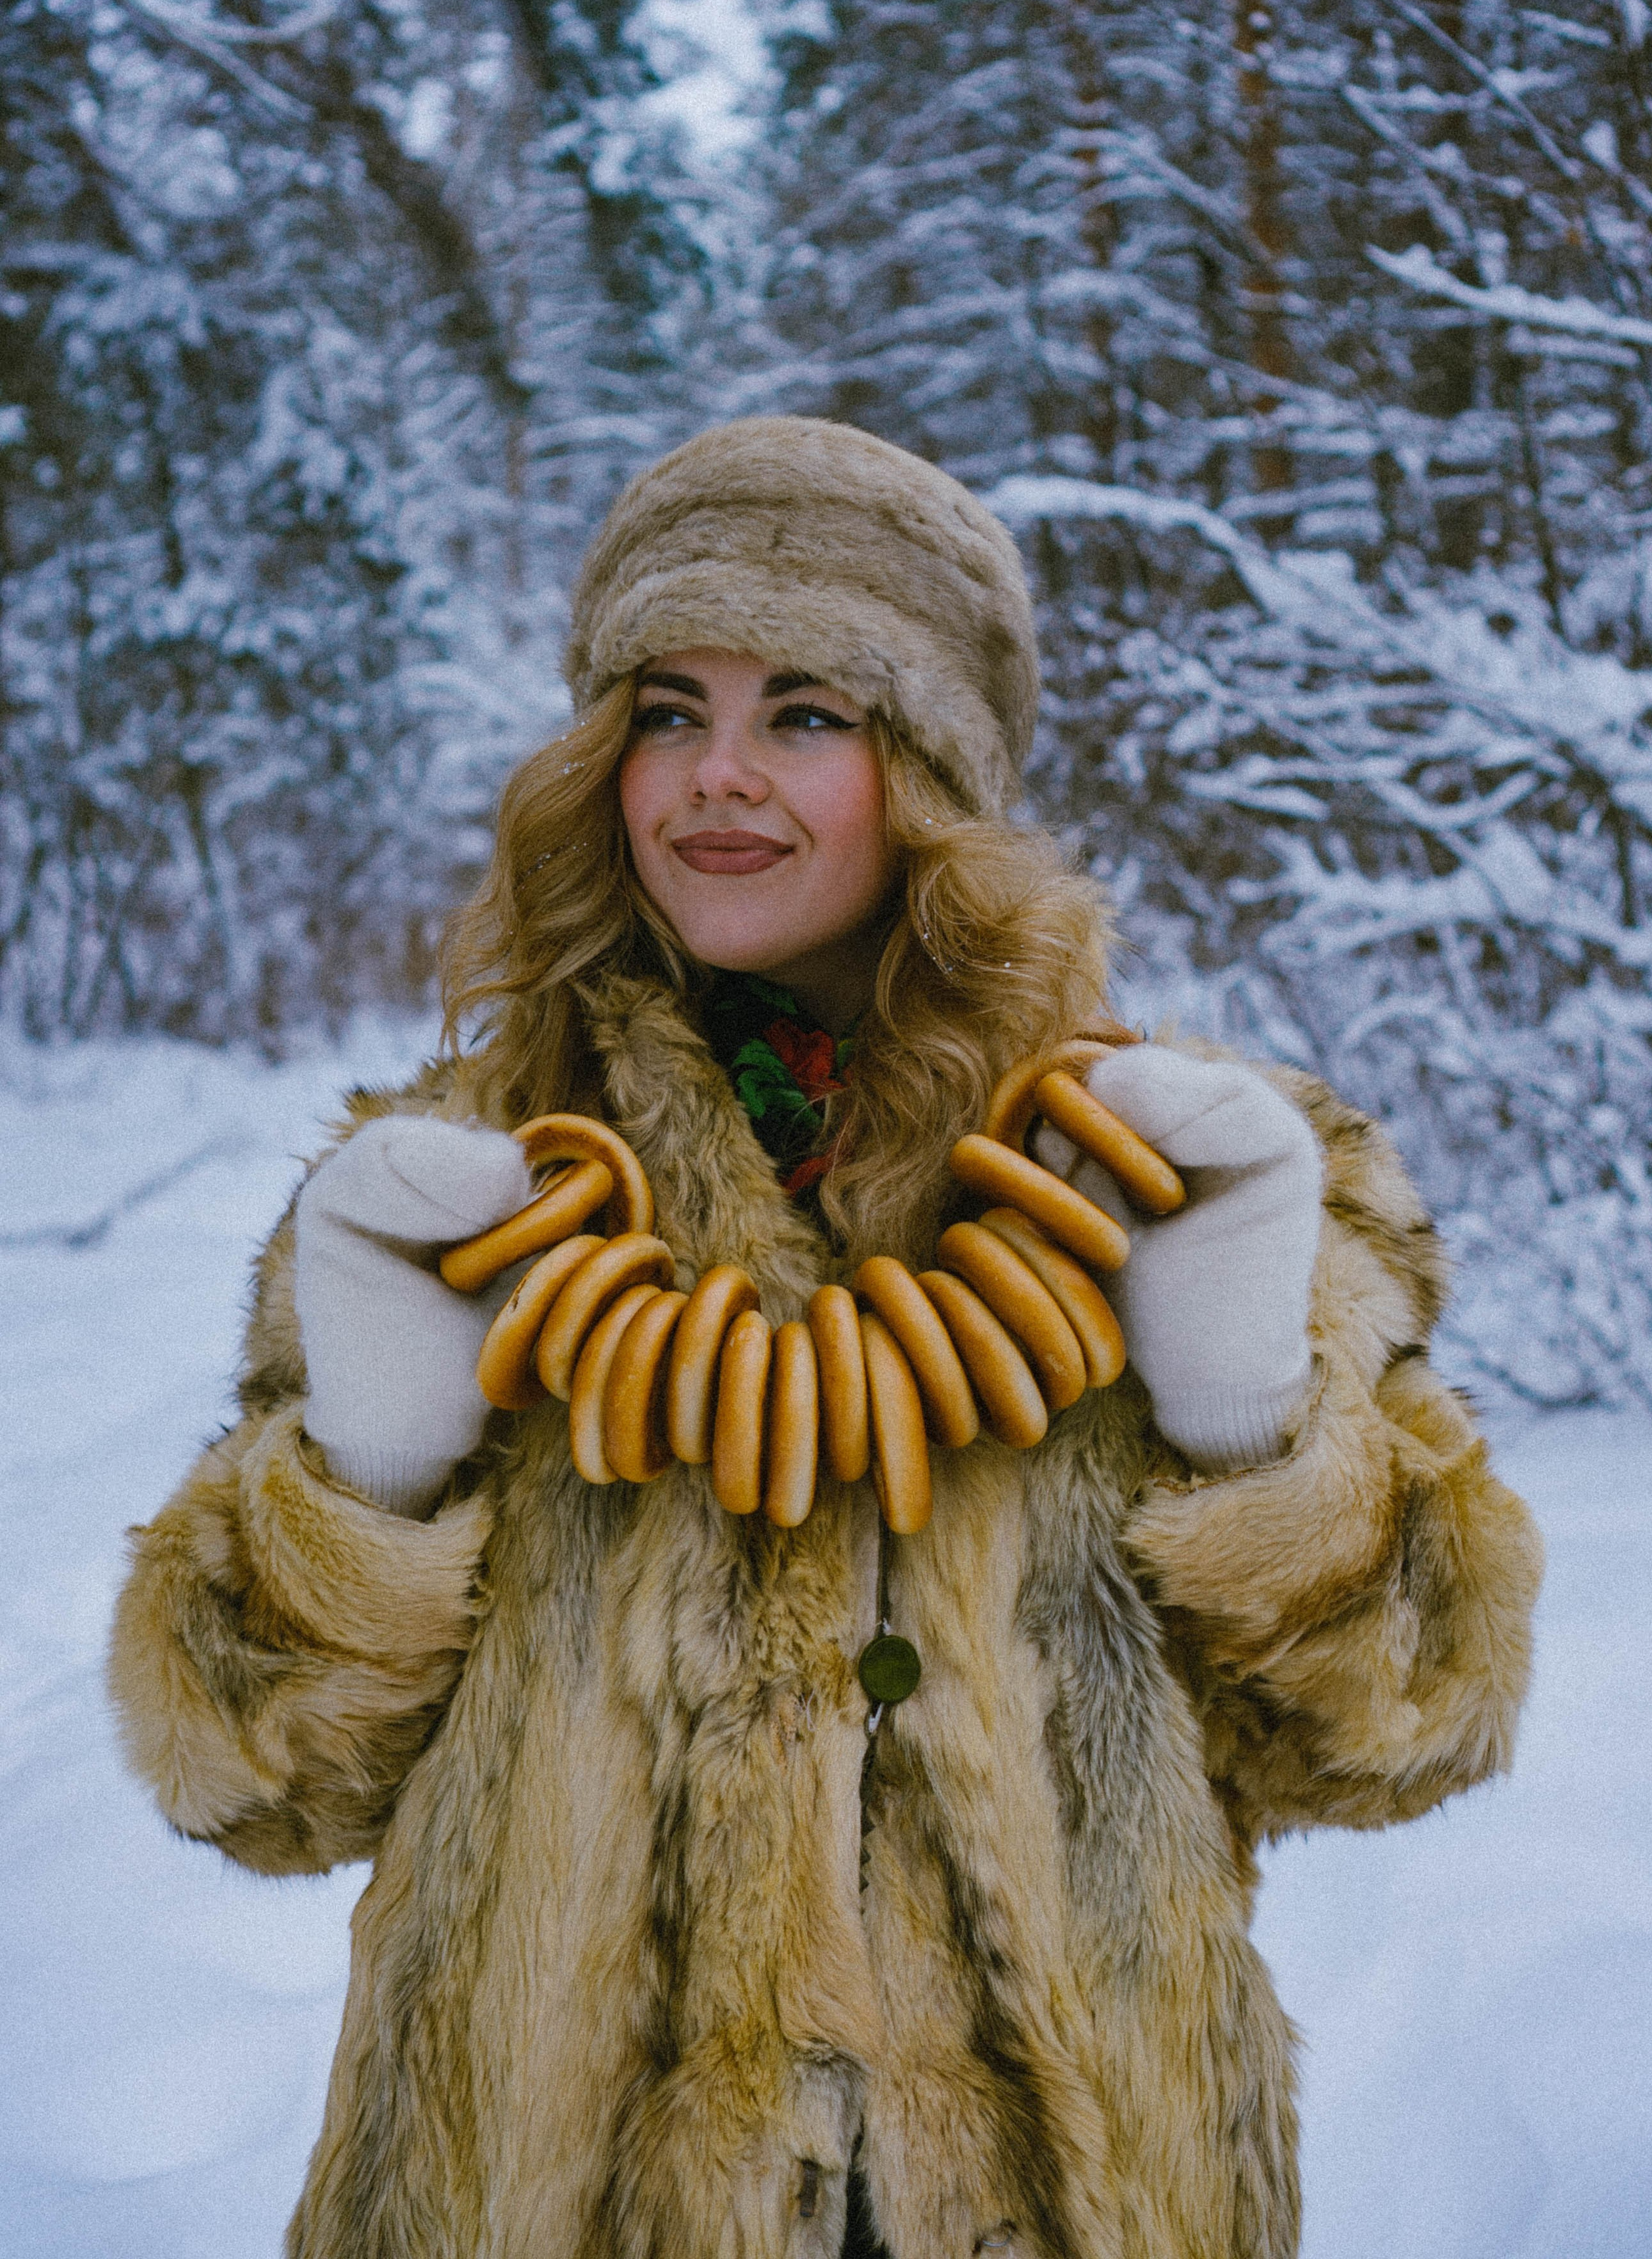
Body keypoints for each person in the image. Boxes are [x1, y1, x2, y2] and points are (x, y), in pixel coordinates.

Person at [110, 417, 1542, 2259]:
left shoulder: (1169, 1176)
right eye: (664, 710)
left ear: (931, 763)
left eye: (804, 714)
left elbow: (1400, 1728)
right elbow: (253, 1783)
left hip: (1074, 2197)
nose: (716, 778)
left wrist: (1256, 1416)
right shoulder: (461, 1193)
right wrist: (365, 1472)